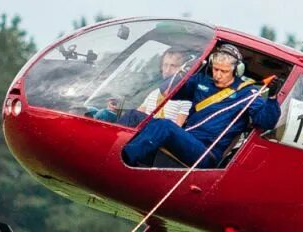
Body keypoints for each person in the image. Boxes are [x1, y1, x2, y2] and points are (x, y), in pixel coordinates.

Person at [120, 43, 280, 168]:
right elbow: (167, 91)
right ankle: (110, 149)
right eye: (215, 69)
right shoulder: (202, 81)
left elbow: (267, 122)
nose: (218, 75)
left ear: (237, 70)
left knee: (165, 127)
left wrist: (272, 97)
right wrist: (187, 71)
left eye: (223, 71)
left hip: (206, 153)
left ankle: (122, 159)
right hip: (185, 138)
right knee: (133, 116)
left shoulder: (248, 92)